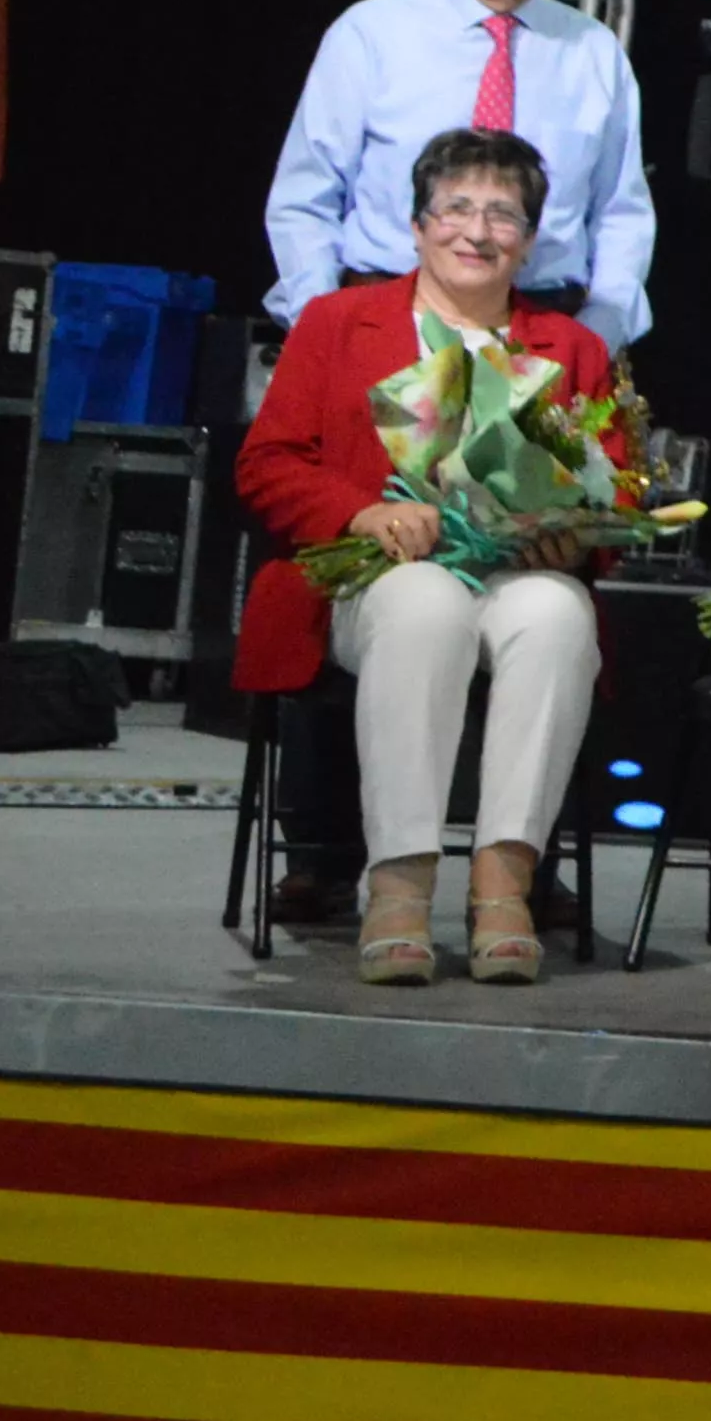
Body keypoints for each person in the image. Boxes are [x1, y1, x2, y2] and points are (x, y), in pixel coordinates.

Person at [230, 126, 611, 990]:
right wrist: (360, 513)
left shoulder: (570, 349)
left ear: (530, 237)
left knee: (560, 614)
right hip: (378, 583)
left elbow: (606, 496)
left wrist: (574, 535)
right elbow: (267, 465)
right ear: (416, 224)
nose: (478, 231)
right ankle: (398, 886)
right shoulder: (337, 323)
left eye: (504, 214)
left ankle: (504, 887)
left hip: (516, 577)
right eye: (458, 208)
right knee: (427, 605)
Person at [268, 0, 653, 349]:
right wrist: (325, 328)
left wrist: (596, 338)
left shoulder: (592, 50)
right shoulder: (371, 34)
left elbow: (619, 212)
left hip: (545, 330)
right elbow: (304, 200)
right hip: (383, 322)